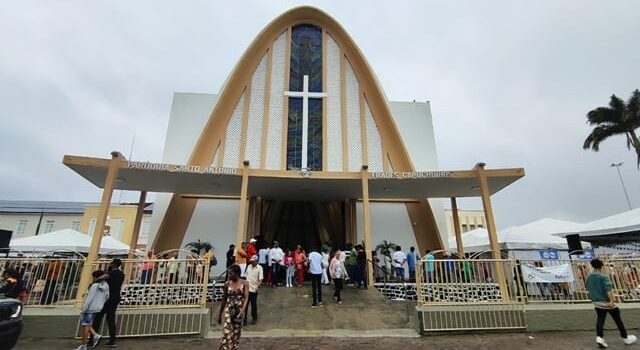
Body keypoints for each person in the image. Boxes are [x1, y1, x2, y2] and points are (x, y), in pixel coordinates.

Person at [586, 258, 637, 348]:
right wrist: (612, 301)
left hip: (597, 303)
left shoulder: (589, 277)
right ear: (601, 266)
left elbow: (589, 288)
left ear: (592, 266)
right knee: (618, 320)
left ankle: (599, 337)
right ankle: (625, 337)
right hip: (607, 302)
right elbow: (608, 290)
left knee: (600, 320)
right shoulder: (603, 277)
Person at [92, 258, 125, 348]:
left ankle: (93, 338)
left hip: (107, 299)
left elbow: (101, 278)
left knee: (97, 318)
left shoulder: (111, 273)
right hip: (116, 297)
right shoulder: (121, 274)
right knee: (111, 319)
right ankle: (112, 340)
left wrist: (96, 280)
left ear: (114, 264)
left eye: (111, 263)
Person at [217, 264, 249, 350]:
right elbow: (224, 299)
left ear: (237, 273)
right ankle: (226, 348)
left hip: (239, 310)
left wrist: (243, 310)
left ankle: (233, 348)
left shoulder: (244, 283)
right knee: (227, 331)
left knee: (236, 332)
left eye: (231, 273)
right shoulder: (227, 284)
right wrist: (220, 314)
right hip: (229, 309)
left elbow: (246, 297)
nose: (229, 275)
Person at [77, 270, 109, 350]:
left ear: (95, 277)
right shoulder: (106, 285)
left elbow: (89, 299)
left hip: (90, 308)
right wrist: (100, 303)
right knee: (87, 324)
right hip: (98, 307)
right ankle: (95, 335)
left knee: (85, 325)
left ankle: (84, 345)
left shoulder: (94, 285)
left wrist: (83, 308)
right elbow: (107, 297)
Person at [244, 256, 263, 325]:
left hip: (254, 289)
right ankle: (244, 318)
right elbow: (245, 276)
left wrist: (258, 286)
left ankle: (254, 318)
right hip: (247, 288)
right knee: (245, 304)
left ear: (256, 261)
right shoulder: (249, 266)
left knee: (253, 304)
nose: (252, 262)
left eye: (253, 261)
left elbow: (260, 279)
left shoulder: (260, 268)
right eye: (251, 261)